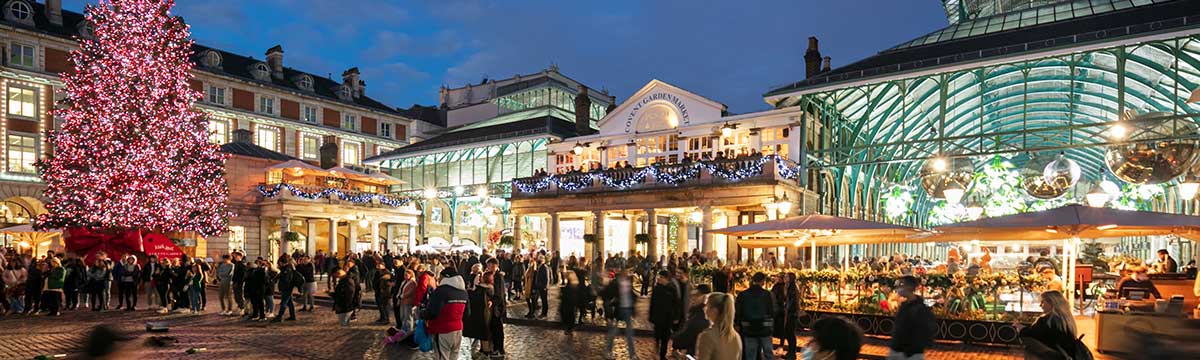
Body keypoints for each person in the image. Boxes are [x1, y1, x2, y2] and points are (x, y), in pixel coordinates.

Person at [1018, 290, 1081, 359]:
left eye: (1043, 302)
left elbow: (1031, 335)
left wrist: (1021, 328)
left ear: (1052, 303)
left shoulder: (1047, 320)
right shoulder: (1066, 320)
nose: (1040, 305)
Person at [422, 267, 468, 360]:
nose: (438, 279)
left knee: (442, 356)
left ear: (445, 277)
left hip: (442, 329)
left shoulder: (441, 291)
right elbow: (467, 313)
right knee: (454, 355)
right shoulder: (463, 292)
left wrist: (423, 314)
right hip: (458, 329)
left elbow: (433, 312)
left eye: (440, 277)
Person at [889, 275, 935, 360]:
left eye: (901, 285)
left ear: (909, 287)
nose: (899, 288)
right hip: (898, 350)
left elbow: (924, 331)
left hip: (911, 354)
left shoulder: (919, 309)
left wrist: (909, 350)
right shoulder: (904, 305)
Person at [736, 272, 774, 360]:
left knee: (750, 353)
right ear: (763, 281)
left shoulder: (743, 294)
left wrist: (738, 324)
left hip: (748, 327)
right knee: (768, 352)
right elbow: (770, 311)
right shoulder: (766, 294)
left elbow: (738, 311)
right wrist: (771, 326)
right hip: (764, 327)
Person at [603, 270, 638, 360]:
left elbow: (632, 295)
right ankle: (608, 351)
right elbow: (606, 294)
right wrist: (609, 309)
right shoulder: (614, 284)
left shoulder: (628, 283)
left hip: (627, 310)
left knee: (630, 333)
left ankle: (632, 354)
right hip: (618, 310)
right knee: (613, 332)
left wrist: (634, 305)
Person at [696, 292, 741, 360]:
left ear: (714, 311)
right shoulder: (736, 337)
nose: (704, 309)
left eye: (707, 305)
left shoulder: (707, 336)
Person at [649, 270, 681, 360]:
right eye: (659, 277)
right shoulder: (656, 288)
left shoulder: (672, 289)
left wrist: (676, 317)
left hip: (668, 318)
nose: (659, 278)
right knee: (657, 336)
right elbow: (652, 303)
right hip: (658, 317)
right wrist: (651, 317)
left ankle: (663, 355)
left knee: (665, 338)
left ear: (666, 279)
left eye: (661, 277)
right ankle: (656, 351)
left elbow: (676, 304)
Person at [773, 272, 802, 360]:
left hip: (791, 314)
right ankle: (790, 352)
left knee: (790, 333)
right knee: (789, 333)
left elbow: (792, 302)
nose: (784, 278)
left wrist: (787, 309)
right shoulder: (787, 287)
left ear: (790, 278)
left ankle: (792, 353)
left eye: (786, 277)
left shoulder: (792, 288)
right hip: (788, 313)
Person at [272, 258, 302, 322]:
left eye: (279, 263)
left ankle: (280, 316)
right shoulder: (285, 269)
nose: (278, 264)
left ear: (282, 263)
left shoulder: (287, 269)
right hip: (286, 288)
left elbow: (287, 280)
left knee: (283, 302)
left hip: (287, 288)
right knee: (289, 302)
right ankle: (292, 316)